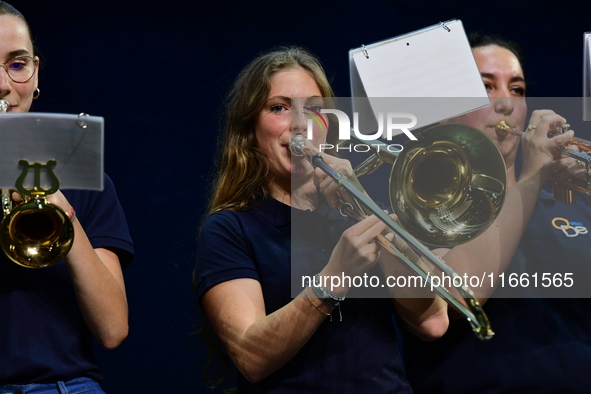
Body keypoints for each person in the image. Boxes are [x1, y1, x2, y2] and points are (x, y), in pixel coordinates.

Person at [194, 46, 449, 393]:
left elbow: (433, 322)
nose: (300, 123)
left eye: (314, 109)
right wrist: (335, 277)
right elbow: (251, 357)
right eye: (279, 108)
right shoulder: (230, 228)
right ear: (250, 131)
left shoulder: (357, 212)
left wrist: (363, 207)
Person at [402, 33, 591, 393]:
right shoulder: (418, 206)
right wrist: (533, 178)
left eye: (517, 89)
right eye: (484, 87)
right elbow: (460, 298)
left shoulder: (569, 200)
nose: (505, 102)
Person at [0, 2, 134, 393]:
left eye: (17, 64)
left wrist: (63, 213)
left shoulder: (86, 182)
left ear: (36, 72)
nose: (3, 85)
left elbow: (113, 330)